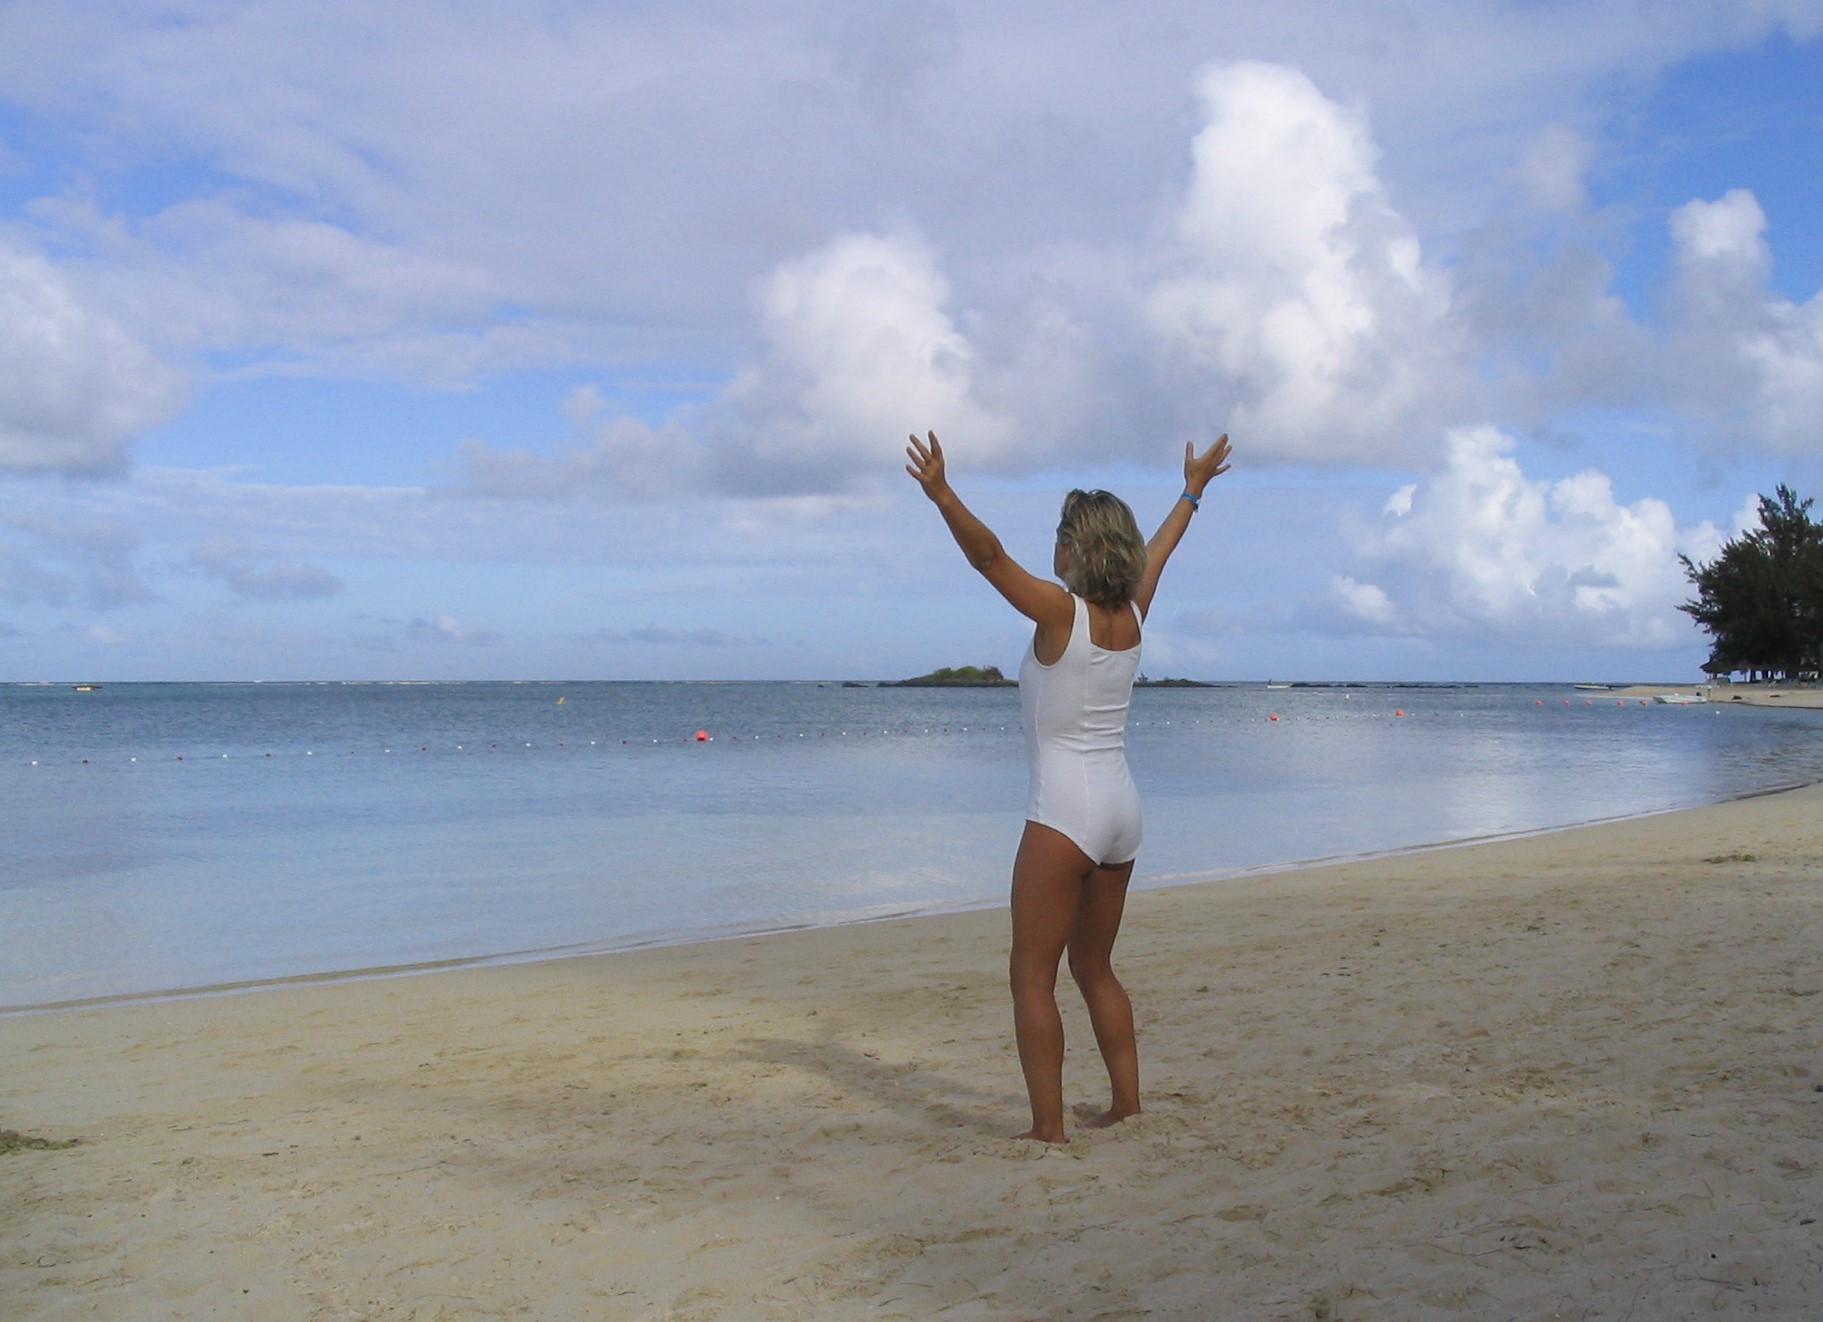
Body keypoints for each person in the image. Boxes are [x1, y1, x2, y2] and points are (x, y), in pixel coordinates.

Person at [904, 428, 1233, 1143]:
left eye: (1058, 537)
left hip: (1064, 814)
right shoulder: (1133, 613)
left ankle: (1048, 1130)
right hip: (1121, 811)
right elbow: (1164, 547)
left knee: (1031, 976)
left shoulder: (1062, 612)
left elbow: (988, 558)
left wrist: (941, 494)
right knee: (1095, 968)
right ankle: (1125, 1105)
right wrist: (1192, 490)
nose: (1051, 548)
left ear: (1073, 548)